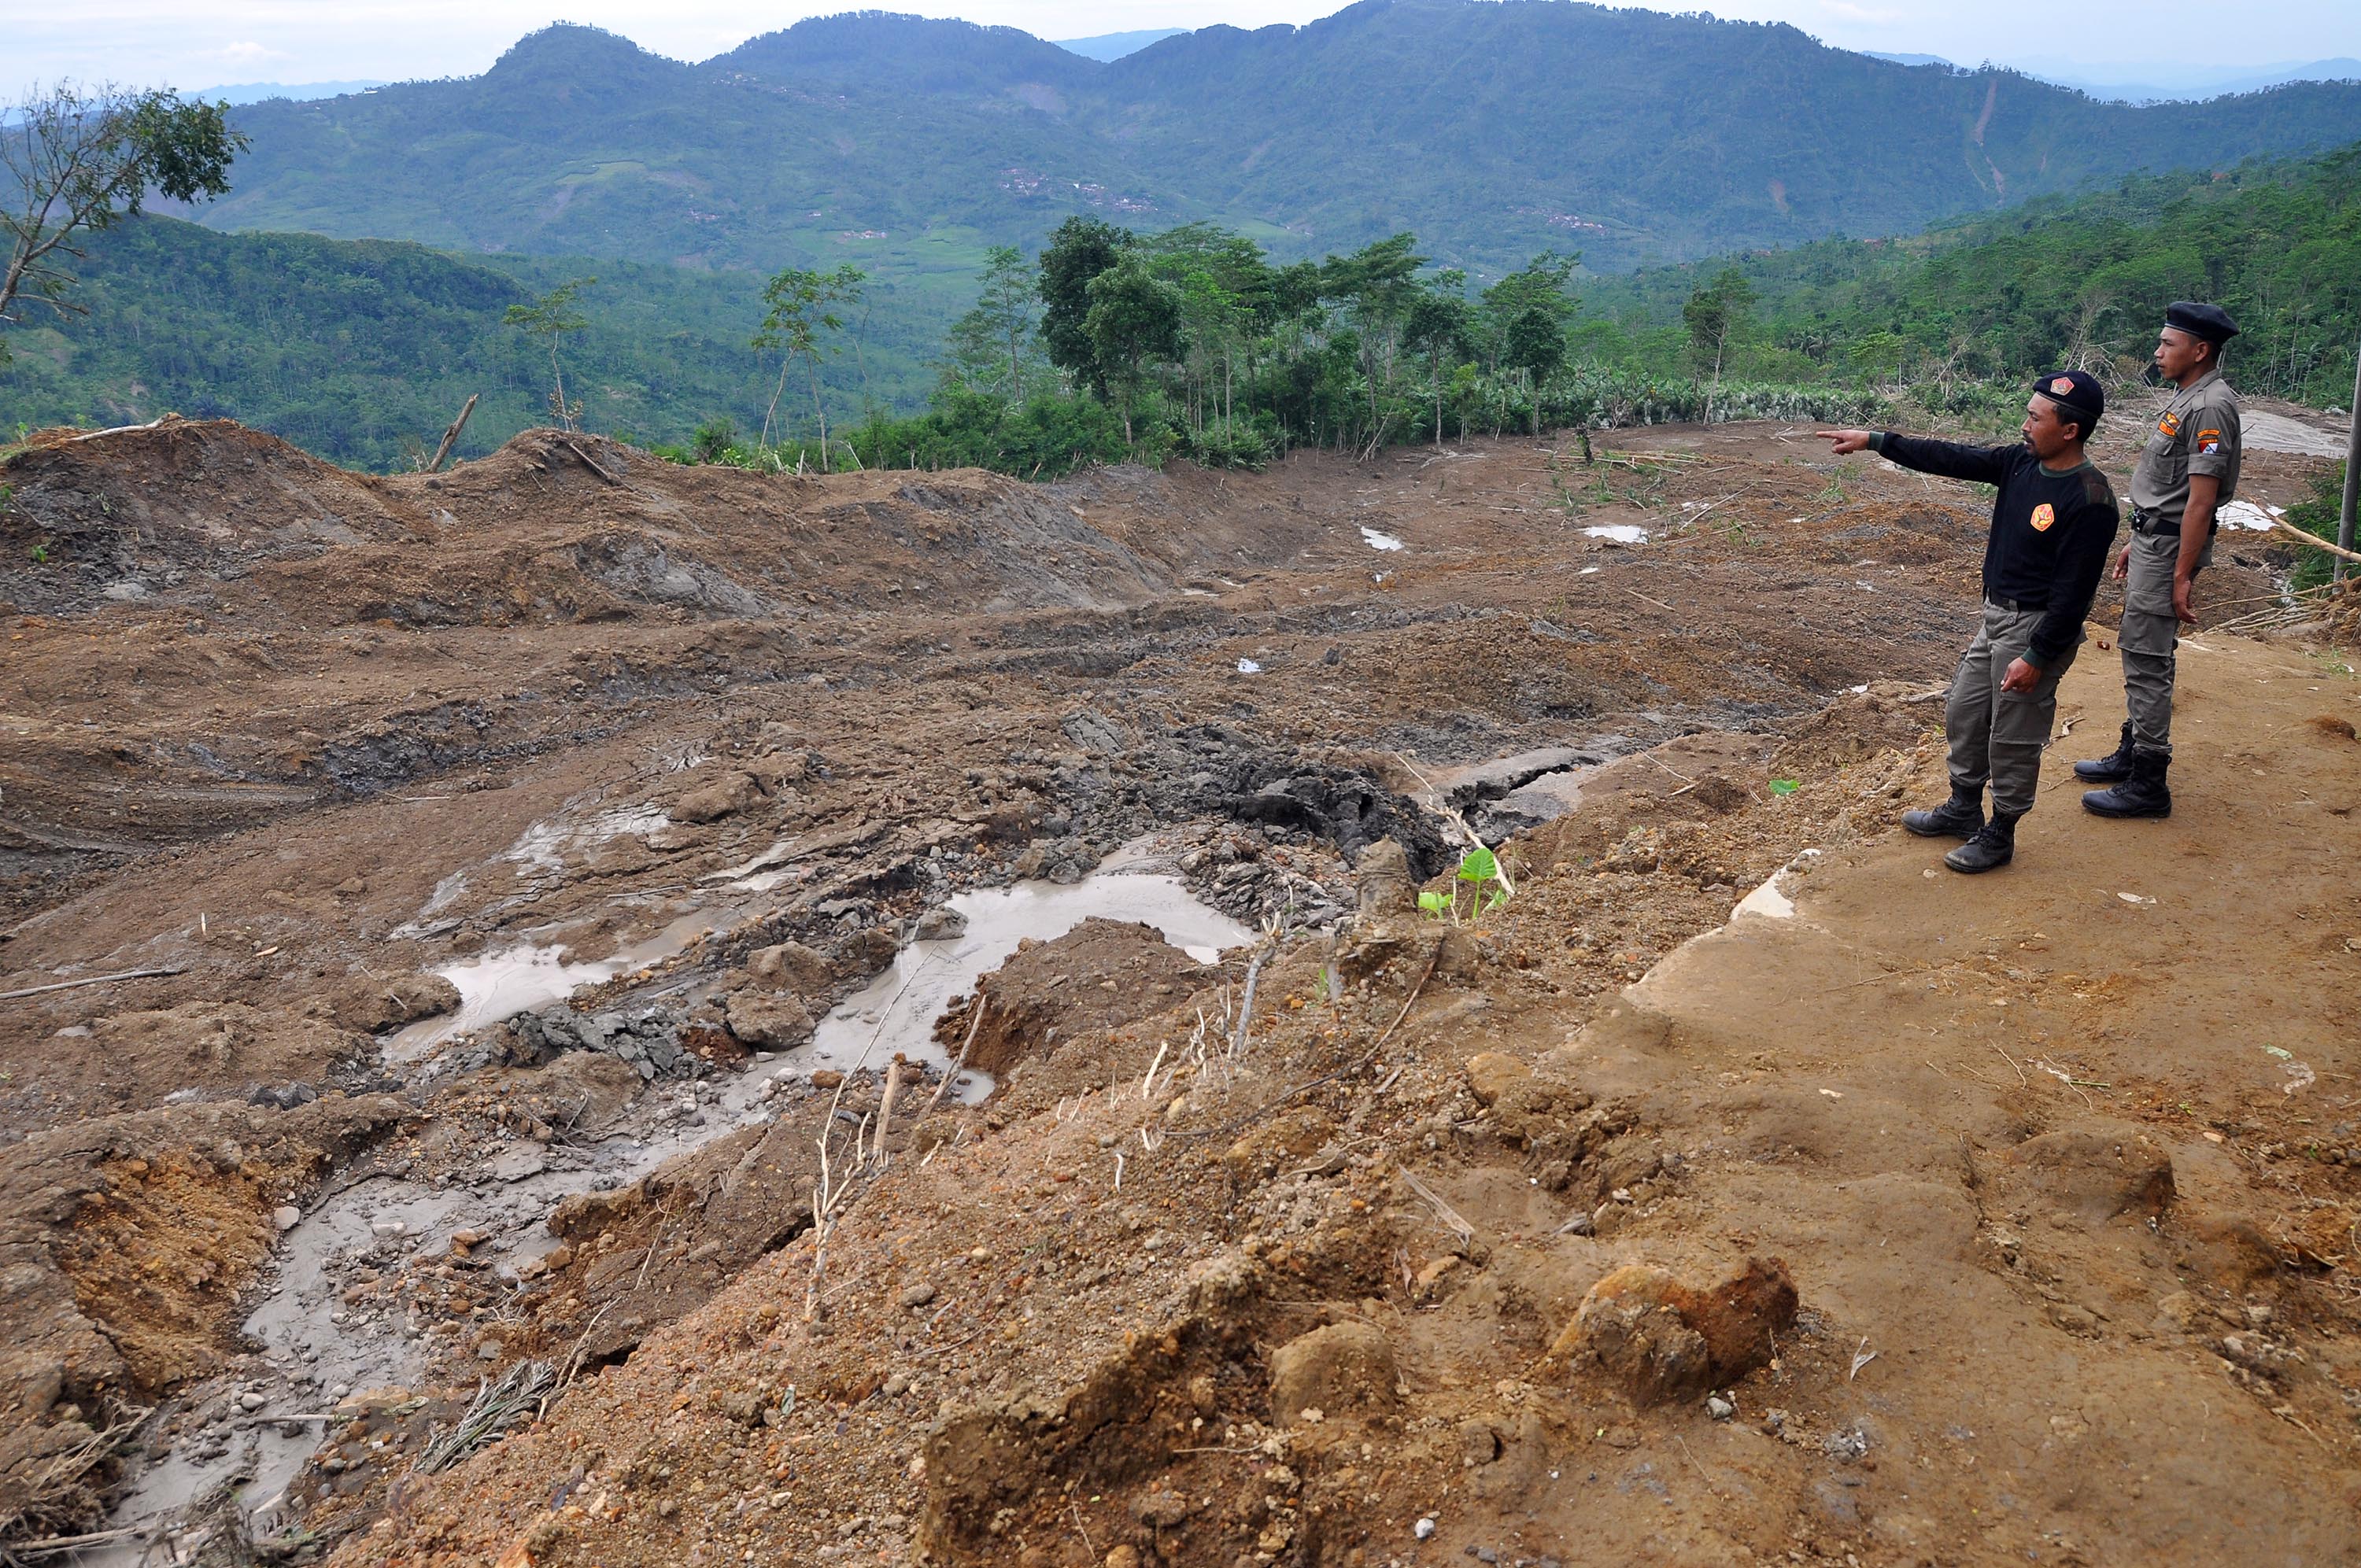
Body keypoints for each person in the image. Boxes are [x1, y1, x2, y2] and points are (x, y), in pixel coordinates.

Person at [1816, 372, 2120, 873]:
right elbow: (1952, 457)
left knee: (2014, 732)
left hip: (2036, 627)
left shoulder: (2089, 500)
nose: (2024, 425)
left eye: (2035, 418)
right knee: (1964, 708)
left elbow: (2074, 597)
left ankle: (2000, 832)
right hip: (1997, 617)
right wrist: (1877, 441)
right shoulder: (2020, 463)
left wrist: (2038, 656)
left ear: (2070, 431)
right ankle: (1962, 807)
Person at [2075, 301, 2243, 819]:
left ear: (2200, 349)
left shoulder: (2211, 406)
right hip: (2156, 541)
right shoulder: (2187, 397)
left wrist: (2179, 574)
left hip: (2168, 548)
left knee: (2147, 657)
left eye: (2167, 344)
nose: (2158, 351)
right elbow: (2169, 491)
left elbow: (2200, 499)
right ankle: (2134, 751)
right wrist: (2139, 535)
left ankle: (2149, 780)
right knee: (2142, 648)